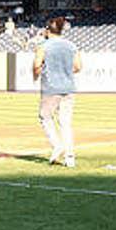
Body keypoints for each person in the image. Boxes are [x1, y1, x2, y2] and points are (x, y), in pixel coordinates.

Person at [35, 16, 82, 167]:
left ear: (48, 31)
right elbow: (78, 67)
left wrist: (36, 75)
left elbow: (36, 65)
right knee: (65, 123)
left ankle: (57, 145)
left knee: (45, 117)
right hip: (68, 87)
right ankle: (70, 157)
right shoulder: (71, 45)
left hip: (51, 87)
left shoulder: (44, 45)